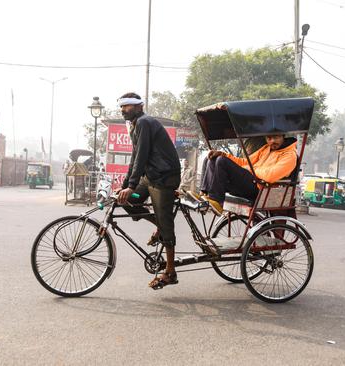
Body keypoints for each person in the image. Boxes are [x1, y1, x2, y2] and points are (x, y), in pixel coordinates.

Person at [116, 92, 181, 290]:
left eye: (127, 106)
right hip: (150, 176)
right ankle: (160, 226)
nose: (123, 110)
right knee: (127, 200)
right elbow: (135, 157)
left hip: (164, 178)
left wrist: (131, 185)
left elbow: (142, 155)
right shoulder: (135, 125)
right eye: (122, 107)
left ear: (139, 106)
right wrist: (126, 185)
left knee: (166, 222)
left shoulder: (144, 122)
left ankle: (170, 271)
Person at [196, 134, 297, 214]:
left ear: (283, 136)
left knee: (221, 161)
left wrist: (250, 169)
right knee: (212, 158)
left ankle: (216, 201)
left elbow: (270, 176)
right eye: (269, 138)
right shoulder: (267, 149)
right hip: (251, 182)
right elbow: (245, 162)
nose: (272, 141)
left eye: (276, 137)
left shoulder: (290, 156)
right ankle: (204, 193)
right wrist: (224, 154)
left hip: (260, 189)